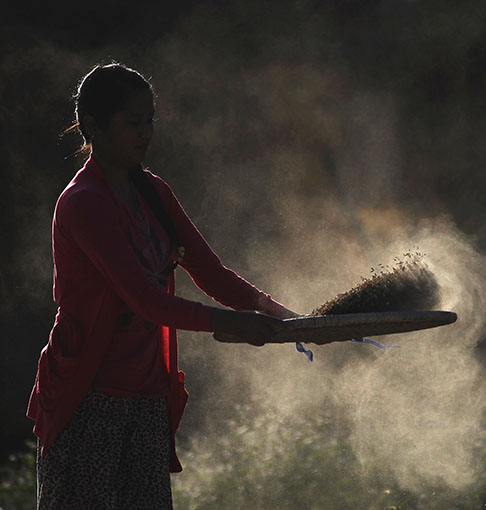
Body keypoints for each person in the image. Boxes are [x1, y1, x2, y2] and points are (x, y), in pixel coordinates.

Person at [27, 62, 328, 509]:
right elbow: (146, 301)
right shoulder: (83, 203)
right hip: (90, 402)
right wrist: (234, 323)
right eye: (133, 122)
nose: (146, 132)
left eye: (150, 119)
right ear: (93, 126)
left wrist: (293, 321)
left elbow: (211, 273)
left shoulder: (153, 193)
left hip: (148, 399)